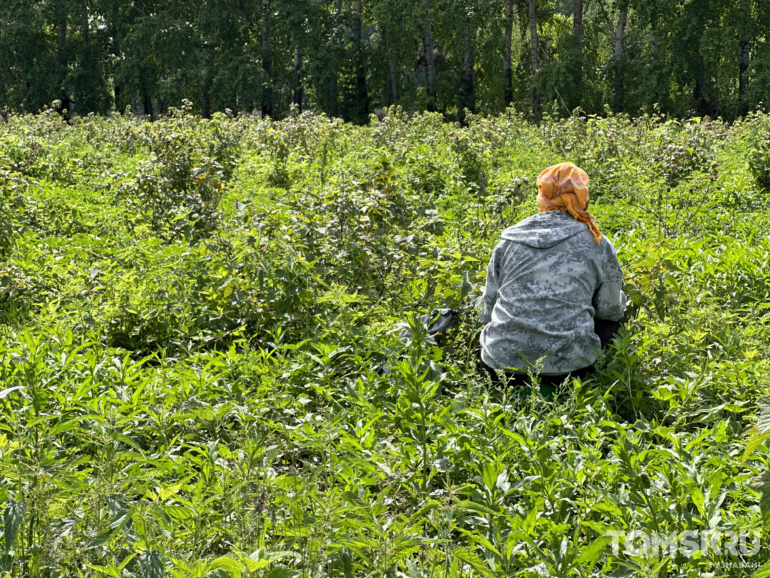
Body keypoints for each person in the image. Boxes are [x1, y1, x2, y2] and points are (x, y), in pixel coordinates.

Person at [478, 162, 627, 391]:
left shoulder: (509, 241)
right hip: (569, 370)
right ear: (581, 195)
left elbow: (486, 311)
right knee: (614, 320)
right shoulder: (596, 242)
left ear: (543, 195)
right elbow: (610, 309)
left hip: (500, 367)